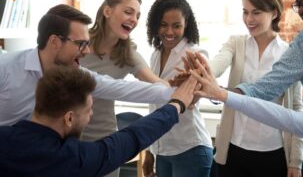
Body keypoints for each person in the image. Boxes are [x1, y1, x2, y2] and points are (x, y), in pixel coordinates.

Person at [0, 66, 198, 176]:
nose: (91, 115)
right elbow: (131, 138)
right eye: (89, 110)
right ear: (69, 117)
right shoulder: (69, 159)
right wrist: (176, 105)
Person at [0, 4, 174, 127]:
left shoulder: (74, 75)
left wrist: (178, 92)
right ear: (54, 41)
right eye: (81, 44)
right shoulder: (5, 68)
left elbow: (122, 88)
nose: (87, 51)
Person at [208, 0, 303, 177]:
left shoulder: (289, 54)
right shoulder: (236, 43)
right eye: (245, 12)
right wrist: (202, 70)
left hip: (272, 151)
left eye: (256, 12)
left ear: (274, 13)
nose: (249, 19)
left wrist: (296, 162)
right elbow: (217, 64)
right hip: (233, 148)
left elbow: (296, 109)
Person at [80, 0, 165, 177]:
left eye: (137, 16)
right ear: (107, 11)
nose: (134, 20)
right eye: (128, 12)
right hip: (69, 138)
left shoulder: (127, 54)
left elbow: (156, 83)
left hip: (105, 140)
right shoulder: (80, 42)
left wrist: (179, 90)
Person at [143, 0, 213, 177]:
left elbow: (196, 97)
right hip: (163, 151)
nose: (169, 32)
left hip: (190, 149)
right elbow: (154, 105)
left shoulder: (196, 53)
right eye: (163, 25)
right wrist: (151, 151)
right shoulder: (155, 55)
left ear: (186, 25)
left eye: (176, 26)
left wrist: (192, 89)